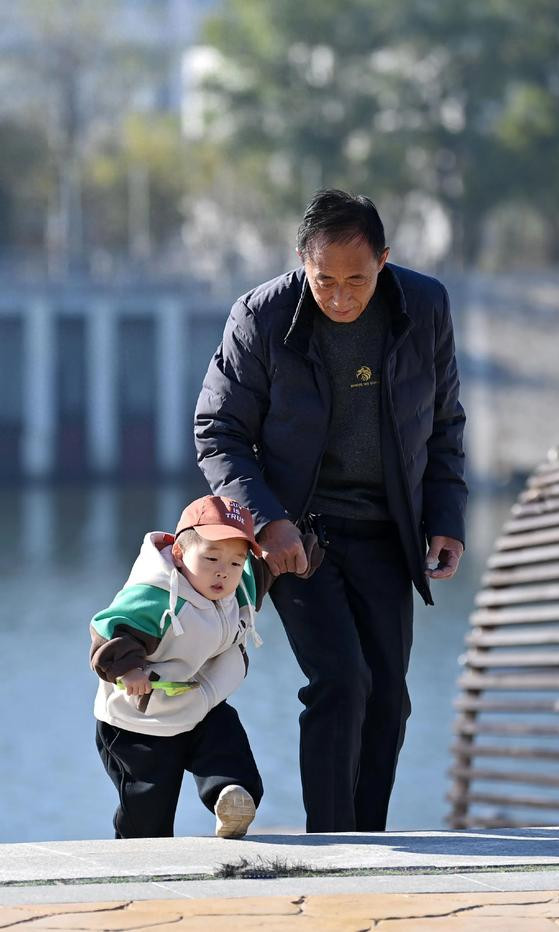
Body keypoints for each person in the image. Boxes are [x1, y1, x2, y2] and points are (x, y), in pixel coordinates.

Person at [194, 189, 467, 832]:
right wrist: (269, 521)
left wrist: (446, 518)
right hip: (300, 537)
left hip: (387, 531)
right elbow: (219, 430)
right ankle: (332, 844)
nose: (341, 298)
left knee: (389, 698)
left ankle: (367, 843)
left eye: (357, 280)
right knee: (341, 682)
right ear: (302, 262)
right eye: (325, 281)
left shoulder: (425, 306)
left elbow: (444, 423)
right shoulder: (260, 317)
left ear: (384, 261)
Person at [90, 494, 265, 839]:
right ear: (180, 554)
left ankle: (231, 797)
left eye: (235, 562)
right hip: (141, 719)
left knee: (226, 739)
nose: (223, 571)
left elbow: (267, 567)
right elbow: (109, 629)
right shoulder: (155, 595)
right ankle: (137, 853)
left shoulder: (238, 587)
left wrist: (301, 550)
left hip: (198, 702)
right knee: (148, 811)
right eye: (211, 558)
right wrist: (129, 670)